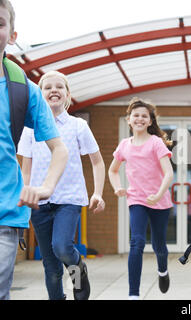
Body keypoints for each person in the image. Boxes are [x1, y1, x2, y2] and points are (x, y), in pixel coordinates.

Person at [0, 0, 68, 300]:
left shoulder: (22, 89)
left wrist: (44, 187)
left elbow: (60, 150)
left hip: (5, 213)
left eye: (0, 23)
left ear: (12, 35)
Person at [17, 70, 105, 300]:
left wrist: (97, 192)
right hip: (39, 202)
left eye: (59, 87)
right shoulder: (29, 129)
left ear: (68, 95)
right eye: (47, 87)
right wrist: (23, 201)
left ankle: (78, 272)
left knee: (63, 248)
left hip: (69, 199)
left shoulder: (78, 126)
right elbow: (26, 168)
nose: (53, 90)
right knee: (50, 265)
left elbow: (97, 161)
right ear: (40, 95)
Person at [108, 97, 174, 300]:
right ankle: (133, 294)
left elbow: (169, 173)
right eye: (136, 115)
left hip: (160, 201)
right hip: (136, 199)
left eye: (144, 116)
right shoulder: (124, 145)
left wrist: (159, 194)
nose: (140, 118)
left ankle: (162, 271)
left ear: (150, 121)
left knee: (159, 246)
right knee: (136, 242)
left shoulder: (156, 143)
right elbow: (113, 170)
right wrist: (118, 187)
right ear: (129, 119)